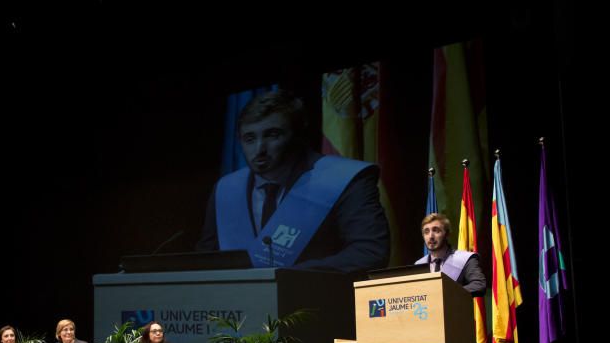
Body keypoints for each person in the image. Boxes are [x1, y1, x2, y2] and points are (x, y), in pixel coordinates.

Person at [197, 89, 389, 273]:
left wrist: (286, 277)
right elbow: (206, 259)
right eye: (249, 138)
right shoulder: (226, 188)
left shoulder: (345, 179)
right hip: (237, 304)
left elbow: (369, 253)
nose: (259, 148)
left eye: (272, 135)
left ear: (298, 135)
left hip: (316, 300)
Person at [414, 212, 486, 296]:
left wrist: (448, 293)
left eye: (436, 230)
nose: (431, 236)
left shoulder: (465, 259)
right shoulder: (418, 265)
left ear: (447, 234)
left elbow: (479, 285)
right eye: (426, 232)